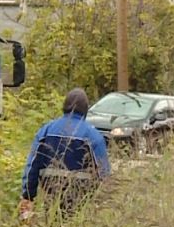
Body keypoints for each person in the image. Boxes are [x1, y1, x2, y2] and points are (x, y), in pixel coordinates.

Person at [19, 88, 111, 218]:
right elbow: (104, 172)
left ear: (64, 107)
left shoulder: (46, 130)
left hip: (51, 191)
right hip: (81, 196)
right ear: (85, 110)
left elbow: (32, 166)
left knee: (52, 221)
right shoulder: (93, 135)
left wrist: (28, 195)